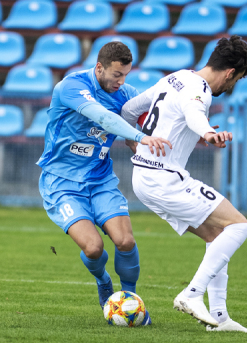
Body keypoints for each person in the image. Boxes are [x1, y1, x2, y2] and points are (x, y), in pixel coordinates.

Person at [121, 35, 247, 333]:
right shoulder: (200, 90)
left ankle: (220, 319)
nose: (231, 87)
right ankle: (191, 294)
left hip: (144, 177)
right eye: (236, 80)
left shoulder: (177, 77)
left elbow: (129, 110)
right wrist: (208, 133)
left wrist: (135, 139)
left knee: (217, 237)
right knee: (239, 226)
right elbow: (195, 113)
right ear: (230, 72)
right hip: (163, 177)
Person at [37, 41, 171, 323]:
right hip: (61, 184)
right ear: (99, 68)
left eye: (125, 76)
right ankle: (103, 282)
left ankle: (130, 300)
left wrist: (200, 133)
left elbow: (155, 116)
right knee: (94, 248)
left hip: (100, 180)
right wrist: (138, 137)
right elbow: (102, 117)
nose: (121, 82)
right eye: (116, 75)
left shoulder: (126, 93)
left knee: (124, 240)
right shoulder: (71, 87)